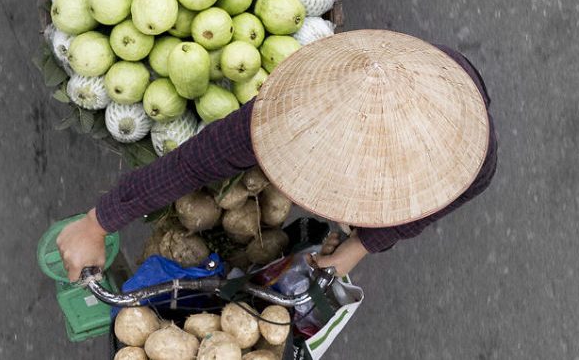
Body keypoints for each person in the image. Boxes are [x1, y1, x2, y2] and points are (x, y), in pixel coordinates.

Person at [58, 30, 497, 281]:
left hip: (447, 85)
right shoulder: (290, 110)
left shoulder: (469, 157)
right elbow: (190, 165)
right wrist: (97, 222)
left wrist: (360, 246)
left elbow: (426, 209)